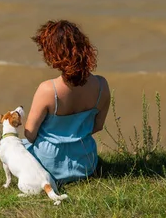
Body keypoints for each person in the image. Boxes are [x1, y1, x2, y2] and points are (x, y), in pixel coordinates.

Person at [22, 19, 110, 185]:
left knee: (10, 147)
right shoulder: (101, 85)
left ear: (53, 55)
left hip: (48, 165)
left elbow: (30, 134)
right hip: (85, 164)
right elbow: (97, 126)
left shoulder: (48, 89)